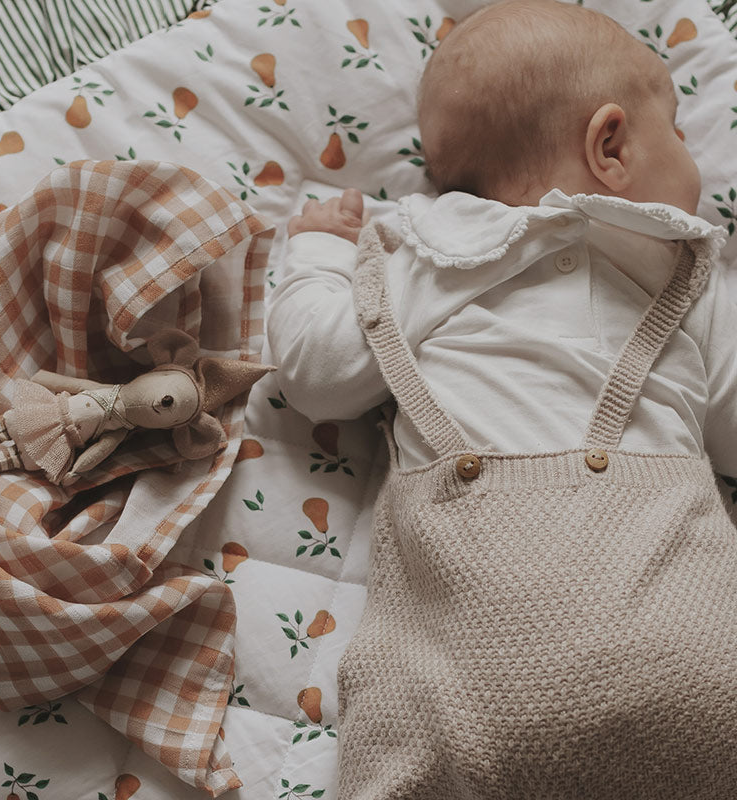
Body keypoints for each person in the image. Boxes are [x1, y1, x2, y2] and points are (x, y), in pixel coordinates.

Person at [268, 1, 737, 797]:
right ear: (611, 146)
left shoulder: (418, 259)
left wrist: (317, 250)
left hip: (455, 707)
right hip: (699, 669)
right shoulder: (685, 272)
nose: (695, 162)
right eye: (682, 133)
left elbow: (315, 369)